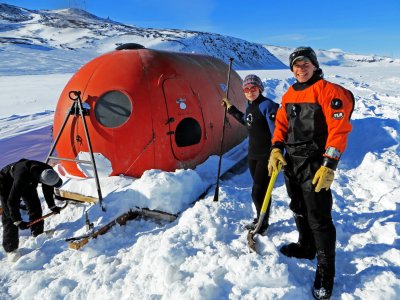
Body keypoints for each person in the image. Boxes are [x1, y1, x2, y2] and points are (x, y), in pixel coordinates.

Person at [268, 47, 354, 299]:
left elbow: (339, 130)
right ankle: (306, 247)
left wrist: (330, 164)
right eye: (295, 64)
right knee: (297, 206)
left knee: (319, 217)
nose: (300, 68)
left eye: (305, 63)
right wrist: (275, 148)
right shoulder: (289, 93)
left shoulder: (331, 92)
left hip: (316, 163)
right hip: (291, 163)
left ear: (315, 65)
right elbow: (282, 124)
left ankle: (326, 272)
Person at [222, 74, 279, 234]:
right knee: (261, 190)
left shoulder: (268, 105)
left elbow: (277, 131)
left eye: (253, 88)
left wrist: (277, 150)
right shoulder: (250, 105)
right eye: (246, 89)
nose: (250, 91)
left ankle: (262, 223)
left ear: (259, 88)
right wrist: (231, 109)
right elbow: (247, 121)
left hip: (267, 156)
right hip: (253, 155)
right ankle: (261, 219)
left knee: (258, 191)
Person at [0, 159, 63, 262]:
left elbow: (48, 189)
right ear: (41, 179)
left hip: (28, 181)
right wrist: (17, 220)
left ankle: (37, 233)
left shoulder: (48, 171)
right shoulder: (22, 177)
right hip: (6, 181)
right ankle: (11, 249)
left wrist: (52, 206)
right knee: (9, 215)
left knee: (35, 206)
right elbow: (12, 201)